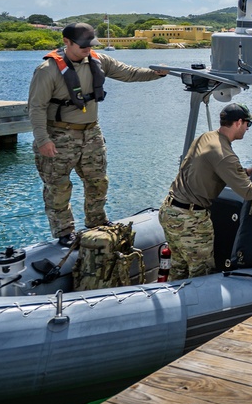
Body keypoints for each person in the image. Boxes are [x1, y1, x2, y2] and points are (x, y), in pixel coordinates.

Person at [29, 22, 168, 247]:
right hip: (59, 134)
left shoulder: (99, 60)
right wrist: (43, 139)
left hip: (91, 132)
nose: (87, 49)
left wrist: (156, 74)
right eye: (82, 45)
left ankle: (96, 223)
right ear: (67, 42)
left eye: (90, 44)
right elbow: (36, 107)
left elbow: (129, 73)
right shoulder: (48, 70)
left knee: (98, 181)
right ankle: (65, 231)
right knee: (58, 187)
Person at [159, 103, 252, 280]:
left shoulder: (206, 138)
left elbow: (212, 170)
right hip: (191, 220)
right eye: (248, 124)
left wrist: (247, 171)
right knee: (202, 274)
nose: (247, 129)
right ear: (238, 122)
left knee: (179, 267)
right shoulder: (226, 155)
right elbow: (248, 192)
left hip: (169, 211)